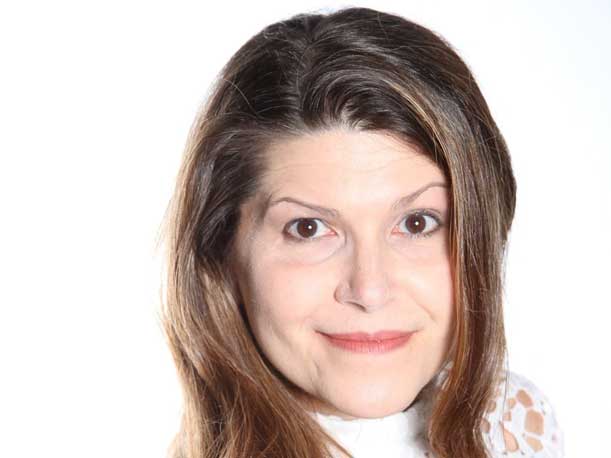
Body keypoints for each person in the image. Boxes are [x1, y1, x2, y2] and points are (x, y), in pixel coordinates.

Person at [159, 6, 564, 458]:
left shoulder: (511, 427)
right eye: (308, 228)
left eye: (417, 223)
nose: (369, 291)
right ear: (223, 249)